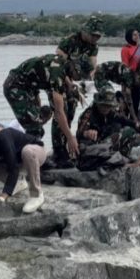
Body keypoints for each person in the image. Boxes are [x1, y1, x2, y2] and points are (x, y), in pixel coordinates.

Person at [3, 54, 90, 161]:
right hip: (15, 86)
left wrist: (70, 85)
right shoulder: (57, 74)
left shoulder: (65, 65)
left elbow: (62, 76)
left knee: (49, 113)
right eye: (79, 75)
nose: (79, 78)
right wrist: (70, 137)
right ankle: (25, 158)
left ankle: (54, 150)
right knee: (35, 127)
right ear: (74, 67)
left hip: (31, 87)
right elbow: (59, 112)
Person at [54, 16, 103, 166]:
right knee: (60, 114)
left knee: (70, 114)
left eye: (98, 36)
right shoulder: (70, 41)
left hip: (77, 82)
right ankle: (58, 151)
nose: (96, 39)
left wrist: (88, 82)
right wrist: (69, 83)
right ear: (85, 31)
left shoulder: (93, 46)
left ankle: (68, 148)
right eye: (93, 35)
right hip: (60, 80)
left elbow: (92, 65)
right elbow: (58, 64)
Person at [77, 88, 140, 162]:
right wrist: (86, 133)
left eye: (108, 106)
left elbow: (125, 120)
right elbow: (79, 133)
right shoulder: (89, 114)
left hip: (106, 144)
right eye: (103, 105)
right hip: (93, 147)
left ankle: (119, 155)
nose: (105, 108)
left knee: (128, 131)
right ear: (98, 103)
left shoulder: (111, 114)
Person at [121, 28, 140, 117]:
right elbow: (125, 66)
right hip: (129, 79)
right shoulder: (125, 49)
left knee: (136, 103)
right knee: (127, 104)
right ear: (129, 36)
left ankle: (134, 122)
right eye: (134, 35)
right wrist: (125, 84)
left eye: (138, 34)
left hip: (139, 80)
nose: (137, 36)